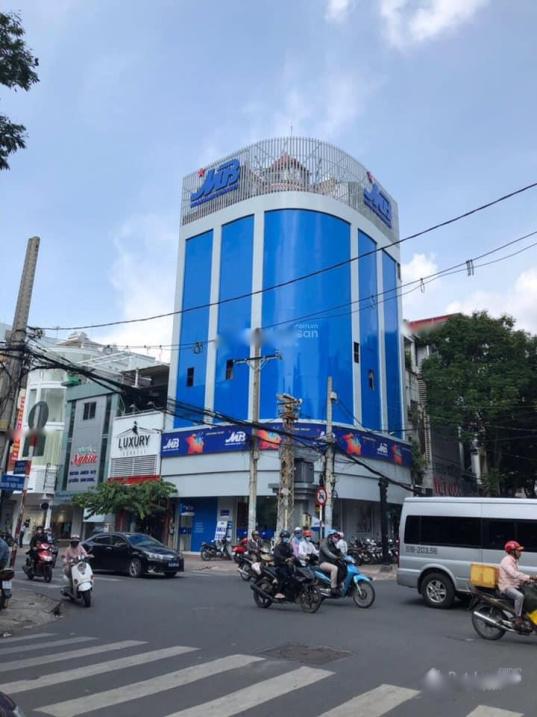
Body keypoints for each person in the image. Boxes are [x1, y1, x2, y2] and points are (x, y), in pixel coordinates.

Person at [499, 540, 533, 627]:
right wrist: (529, 577)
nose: (520, 553)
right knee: (519, 596)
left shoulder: (514, 560)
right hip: (507, 586)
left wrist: (529, 581)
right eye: (519, 551)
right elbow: (514, 574)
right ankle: (518, 618)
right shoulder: (507, 561)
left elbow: (517, 576)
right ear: (512, 551)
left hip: (514, 584)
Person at [319, 530, 344, 595]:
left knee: (342, 568)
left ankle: (339, 585)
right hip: (323, 563)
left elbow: (337, 551)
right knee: (334, 568)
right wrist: (336, 557)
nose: (336, 538)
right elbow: (328, 553)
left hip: (331, 562)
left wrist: (345, 556)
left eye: (337, 537)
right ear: (330, 536)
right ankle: (333, 587)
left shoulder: (332, 543)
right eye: (335, 536)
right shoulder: (324, 543)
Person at [273, 530, 294, 599]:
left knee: (293, 576)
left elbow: (292, 554)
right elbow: (277, 555)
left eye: (287, 537)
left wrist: (293, 558)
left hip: (287, 565)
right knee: (285, 576)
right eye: (285, 537)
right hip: (279, 566)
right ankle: (278, 592)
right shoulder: (278, 547)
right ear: (282, 538)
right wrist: (285, 559)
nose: (286, 539)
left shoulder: (288, 546)